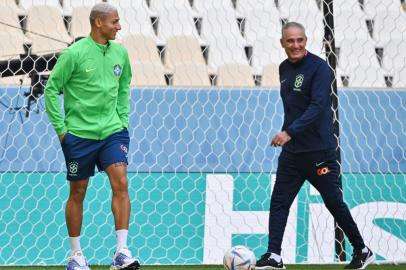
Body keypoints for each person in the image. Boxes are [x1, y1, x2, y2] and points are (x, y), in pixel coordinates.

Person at [256, 22, 374, 270]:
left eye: (300, 40)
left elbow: (318, 106)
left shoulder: (320, 68)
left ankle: (362, 250)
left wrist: (289, 132)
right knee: (279, 202)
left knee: (333, 201)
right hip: (292, 154)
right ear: (282, 43)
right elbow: (294, 108)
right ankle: (274, 256)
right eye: (290, 41)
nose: (296, 45)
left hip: (318, 151)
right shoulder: (283, 69)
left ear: (306, 40)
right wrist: (289, 135)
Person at [44, 3, 139, 270]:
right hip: (79, 137)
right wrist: (62, 131)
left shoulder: (121, 53)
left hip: (112, 132)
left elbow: (124, 88)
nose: (118, 27)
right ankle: (76, 256)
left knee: (121, 182)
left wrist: (122, 121)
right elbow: (51, 90)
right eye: (114, 22)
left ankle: (121, 252)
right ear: (98, 23)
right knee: (78, 192)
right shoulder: (74, 54)